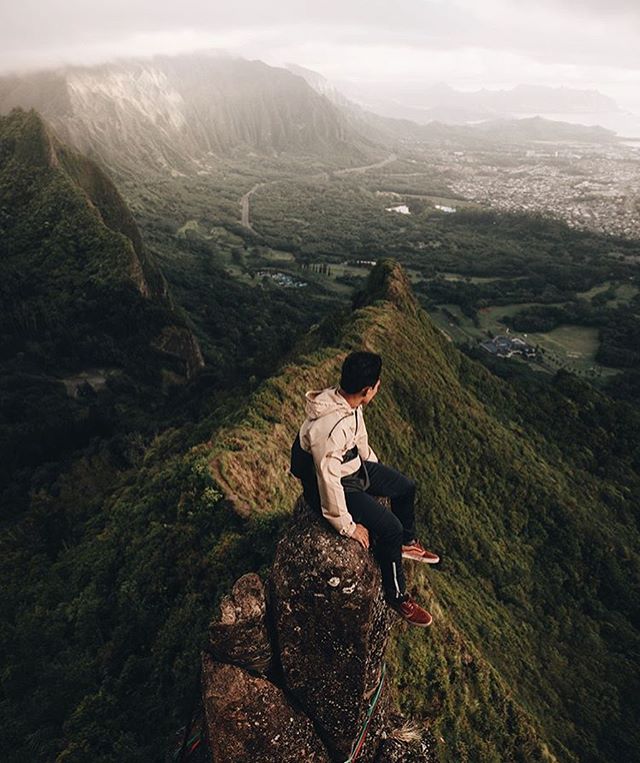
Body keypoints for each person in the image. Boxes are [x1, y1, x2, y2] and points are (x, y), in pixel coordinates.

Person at [290, 350, 439, 627]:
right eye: (377, 385)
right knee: (390, 528)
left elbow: (360, 441)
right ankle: (397, 597)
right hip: (342, 485)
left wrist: (378, 473)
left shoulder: (350, 404)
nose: (378, 388)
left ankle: (408, 544)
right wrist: (346, 526)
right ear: (367, 389)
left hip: (356, 468)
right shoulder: (330, 429)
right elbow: (328, 479)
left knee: (406, 487)